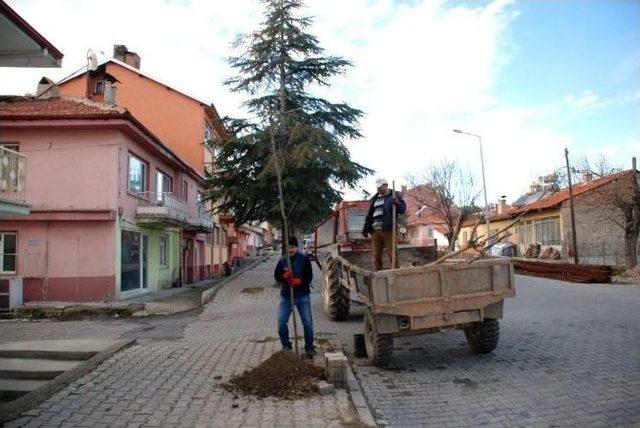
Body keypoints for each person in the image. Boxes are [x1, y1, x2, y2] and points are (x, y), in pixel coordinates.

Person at [274, 236, 315, 358]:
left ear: (297, 247)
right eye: (288, 247)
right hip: (286, 296)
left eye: (293, 247)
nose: (290, 250)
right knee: (281, 322)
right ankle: (286, 346)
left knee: (307, 323)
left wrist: (299, 281)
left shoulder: (304, 259)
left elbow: (309, 276)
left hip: (302, 295)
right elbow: (277, 277)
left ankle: (309, 348)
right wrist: (284, 276)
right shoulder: (282, 261)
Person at [362, 177, 406, 270]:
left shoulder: (394, 195)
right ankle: (378, 273)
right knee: (376, 254)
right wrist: (365, 228)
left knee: (392, 253)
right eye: (377, 187)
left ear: (386, 185)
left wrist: (397, 203)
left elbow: (402, 210)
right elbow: (370, 215)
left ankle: (395, 273)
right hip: (375, 230)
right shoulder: (374, 198)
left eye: (380, 187)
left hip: (388, 229)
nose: (378, 189)